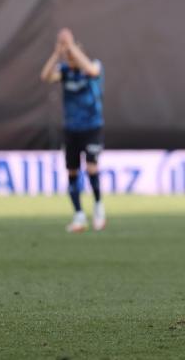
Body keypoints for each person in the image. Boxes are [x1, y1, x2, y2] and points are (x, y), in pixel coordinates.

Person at [40, 28, 106, 232]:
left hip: (92, 126)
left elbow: (92, 71)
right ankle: (78, 214)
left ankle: (98, 207)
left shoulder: (92, 67)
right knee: (72, 172)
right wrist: (57, 53)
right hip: (71, 128)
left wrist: (70, 47)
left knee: (92, 167)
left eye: (71, 56)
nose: (69, 60)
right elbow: (45, 76)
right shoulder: (66, 72)